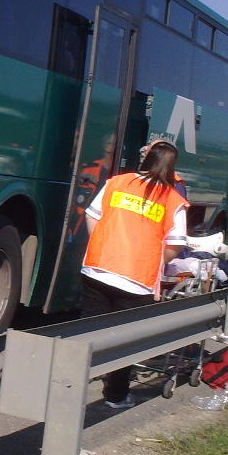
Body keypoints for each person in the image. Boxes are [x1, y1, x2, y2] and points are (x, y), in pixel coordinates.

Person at [80, 140, 188, 407]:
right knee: (125, 341)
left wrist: (103, 245)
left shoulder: (117, 182)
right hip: (137, 279)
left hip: (98, 268)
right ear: (173, 167)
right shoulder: (173, 200)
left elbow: (92, 216)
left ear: (147, 158)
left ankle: (71, 384)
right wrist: (154, 259)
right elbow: (175, 244)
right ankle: (116, 396)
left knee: (87, 332)